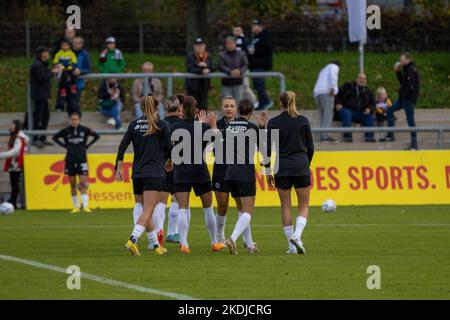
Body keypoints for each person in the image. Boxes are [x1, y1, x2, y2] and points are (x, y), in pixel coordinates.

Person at [116, 95, 172, 256]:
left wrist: (119, 167)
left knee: (143, 209)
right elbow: (169, 147)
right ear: (157, 108)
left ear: (141, 108)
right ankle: (132, 240)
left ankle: (156, 246)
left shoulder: (134, 125)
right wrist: (170, 160)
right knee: (148, 210)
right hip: (154, 173)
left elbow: (122, 146)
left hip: (138, 173)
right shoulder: (162, 125)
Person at [171, 96, 223, 253]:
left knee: (182, 209)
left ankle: (184, 243)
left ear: (182, 110)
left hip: (181, 170)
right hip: (199, 170)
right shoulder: (203, 128)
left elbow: (170, 146)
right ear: (196, 110)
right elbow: (219, 143)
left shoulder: (175, 127)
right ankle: (214, 242)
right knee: (208, 208)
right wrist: (212, 125)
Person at [266, 91, 314, 255]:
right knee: (304, 205)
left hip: (282, 168)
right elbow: (311, 148)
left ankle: (292, 246)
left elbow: (267, 150)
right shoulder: (303, 121)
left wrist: (267, 172)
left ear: (280, 103)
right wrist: (306, 164)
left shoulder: (273, 122)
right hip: (300, 166)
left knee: (285, 206)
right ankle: (297, 235)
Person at [221, 99, 267, 254]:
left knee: (241, 210)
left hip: (230, 173)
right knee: (248, 211)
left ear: (239, 110)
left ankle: (249, 245)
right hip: (245, 173)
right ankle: (232, 238)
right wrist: (262, 127)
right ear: (251, 112)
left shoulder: (228, 127)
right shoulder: (252, 128)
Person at [53, 112, 100, 213]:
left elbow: (96, 136)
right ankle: (76, 207)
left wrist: (87, 145)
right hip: (70, 159)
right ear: (70, 120)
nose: (74, 121)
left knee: (83, 182)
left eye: (76, 119)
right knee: (72, 183)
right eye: (72, 119)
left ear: (79, 120)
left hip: (82, 159)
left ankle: (86, 206)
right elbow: (55, 137)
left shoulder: (84, 130)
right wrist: (65, 146)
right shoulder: (66, 131)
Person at [152, 96, 184, 245]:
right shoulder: (182, 124)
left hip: (161, 165)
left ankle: (159, 233)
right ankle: (173, 232)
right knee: (177, 198)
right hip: (178, 164)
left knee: (161, 201)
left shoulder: (159, 124)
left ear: (165, 107)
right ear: (179, 107)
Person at [381, 53, 420, 150]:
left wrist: (407, 97)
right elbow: (403, 82)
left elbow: (411, 86)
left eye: (401, 59)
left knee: (410, 121)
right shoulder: (407, 69)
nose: (400, 61)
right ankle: (390, 134)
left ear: (408, 59)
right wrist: (398, 72)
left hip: (408, 100)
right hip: (402, 99)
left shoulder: (412, 69)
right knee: (389, 110)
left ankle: (414, 144)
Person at [29, 46, 61, 149]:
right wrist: (53, 72)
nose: (48, 54)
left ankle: (42, 137)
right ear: (41, 54)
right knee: (38, 117)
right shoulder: (37, 65)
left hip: (43, 95)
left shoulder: (42, 64)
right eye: (46, 52)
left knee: (45, 116)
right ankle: (35, 139)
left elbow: (46, 75)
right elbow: (43, 77)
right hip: (39, 95)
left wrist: (52, 70)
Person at [335, 73, 376, 142]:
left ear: (366, 81)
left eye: (363, 79)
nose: (361, 80)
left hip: (361, 113)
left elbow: (373, 104)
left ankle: (369, 137)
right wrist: (338, 103)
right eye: (360, 78)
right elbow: (337, 93)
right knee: (346, 113)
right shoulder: (348, 86)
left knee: (369, 117)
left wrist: (369, 109)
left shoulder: (368, 91)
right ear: (356, 79)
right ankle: (348, 136)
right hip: (348, 110)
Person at [0, 120, 29, 209]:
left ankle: (15, 201)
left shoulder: (18, 138)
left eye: (12, 125)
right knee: (14, 183)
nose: (10, 126)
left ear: (16, 126)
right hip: (14, 164)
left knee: (16, 184)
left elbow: (15, 151)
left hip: (17, 164)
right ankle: (13, 201)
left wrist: (2, 155)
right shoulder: (15, 137)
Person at [248, 20, 273, 111]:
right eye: (252, 25)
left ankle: (265, 101)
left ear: (260, 26)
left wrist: (255, 51)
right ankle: (262, 102)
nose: (253, 27)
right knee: (256, 83)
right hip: (254, 65)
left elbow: (268, 50)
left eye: (255, 25)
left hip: (261, 65)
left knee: (259, 82)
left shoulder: (265, 36)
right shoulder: (255, 37)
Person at [313, 60, 340, 143]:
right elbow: (333, 75)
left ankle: (323, 136)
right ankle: (325, 136)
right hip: (327, 92)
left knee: (323, 115)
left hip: (318, 93)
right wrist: (333, 88)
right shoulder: (334, 66)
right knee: (328, 114)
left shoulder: (324, 69)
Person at [186, 37, 214, 110]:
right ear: (194, 46)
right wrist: (201, 70)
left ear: (204, 46)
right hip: (192, 87)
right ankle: (193, 122)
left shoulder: (208, 56)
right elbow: (190, 68)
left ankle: (200, 122)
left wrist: (208, 68)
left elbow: (213, 66)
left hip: (204, 86)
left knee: (203, 107)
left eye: (201, 45)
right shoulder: (190, 56)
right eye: (197, 45)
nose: (199, 47)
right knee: (193, 107)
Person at [218, 36, 249, 102]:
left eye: (231, 43)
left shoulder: (241, 53)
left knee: (238, 103)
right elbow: (221, 65)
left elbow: (246, 65)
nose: (230, 45)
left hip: (238, 82)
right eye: (228, 44)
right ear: (225, 45)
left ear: (235, 44)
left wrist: (240, 71)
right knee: (227, 103)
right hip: (226, 83)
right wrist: (230, 72)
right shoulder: (221, 54)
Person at [232, 25, 257, 104]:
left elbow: (249, 52)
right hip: (234, 68)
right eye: (234, 30)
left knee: (245, 86)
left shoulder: (246, 40)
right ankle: (241, 103)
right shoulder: (232, 40)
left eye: (238, 30)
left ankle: (254, 101)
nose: (236, 32)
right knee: (237, 86)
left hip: (244, 66)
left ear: (241, 30)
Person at [53, 39, 78, 113]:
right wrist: (58, 66)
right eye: (63, 45)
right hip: (61, 69)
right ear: (61, 46)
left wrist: (71, 66)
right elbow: (55, 62)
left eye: (66, 45)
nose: (65, 46)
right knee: (63, 77)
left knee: (72, 73)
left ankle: (73, 85)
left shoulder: (71, 53)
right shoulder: (58, 54)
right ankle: (63, 90)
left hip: (69, 68)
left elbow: (74, 62)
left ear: (69, 46)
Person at [72, 36, 91, 115]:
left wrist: (80, 71)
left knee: (75, 103)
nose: (75, 45)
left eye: (77, 43)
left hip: (78, 83)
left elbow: (88, 69)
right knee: (69, 103)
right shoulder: (69, 53)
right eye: (74, 43)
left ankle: (77, 121)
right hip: (68, 82)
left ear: (81, 44)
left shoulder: (85, 54)